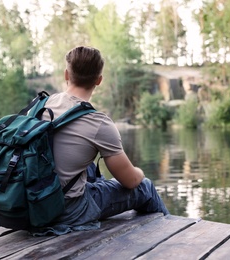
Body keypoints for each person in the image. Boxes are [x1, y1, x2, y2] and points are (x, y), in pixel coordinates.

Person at [33, 46, 169, 236]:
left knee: (88, 167)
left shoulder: (41, 105)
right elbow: (130, 182)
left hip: (32, 201)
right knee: (145, 187)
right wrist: (139, 172)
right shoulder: (98, 123)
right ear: (99, 80)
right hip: (67, 210)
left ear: (66, 74)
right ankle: (169, 235)